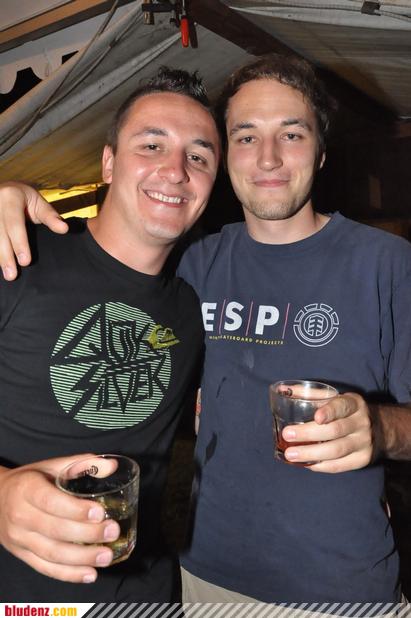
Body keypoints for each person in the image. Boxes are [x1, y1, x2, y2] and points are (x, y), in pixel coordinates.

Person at [0, 54, 410, 609]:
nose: (268, 156)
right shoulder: (190, 265)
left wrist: (380, 429)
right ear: (108, 162)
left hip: (337, 593)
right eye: (245, 137)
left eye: (292, 134)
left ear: (321, 153)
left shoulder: (387, 264)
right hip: (202, 584)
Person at [0, 66, 220, 602]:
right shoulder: (17, 257)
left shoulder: (191, 309)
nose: (176, 171)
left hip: (143, 593)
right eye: (151, 145)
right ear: (108, 163)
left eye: (198, 157)